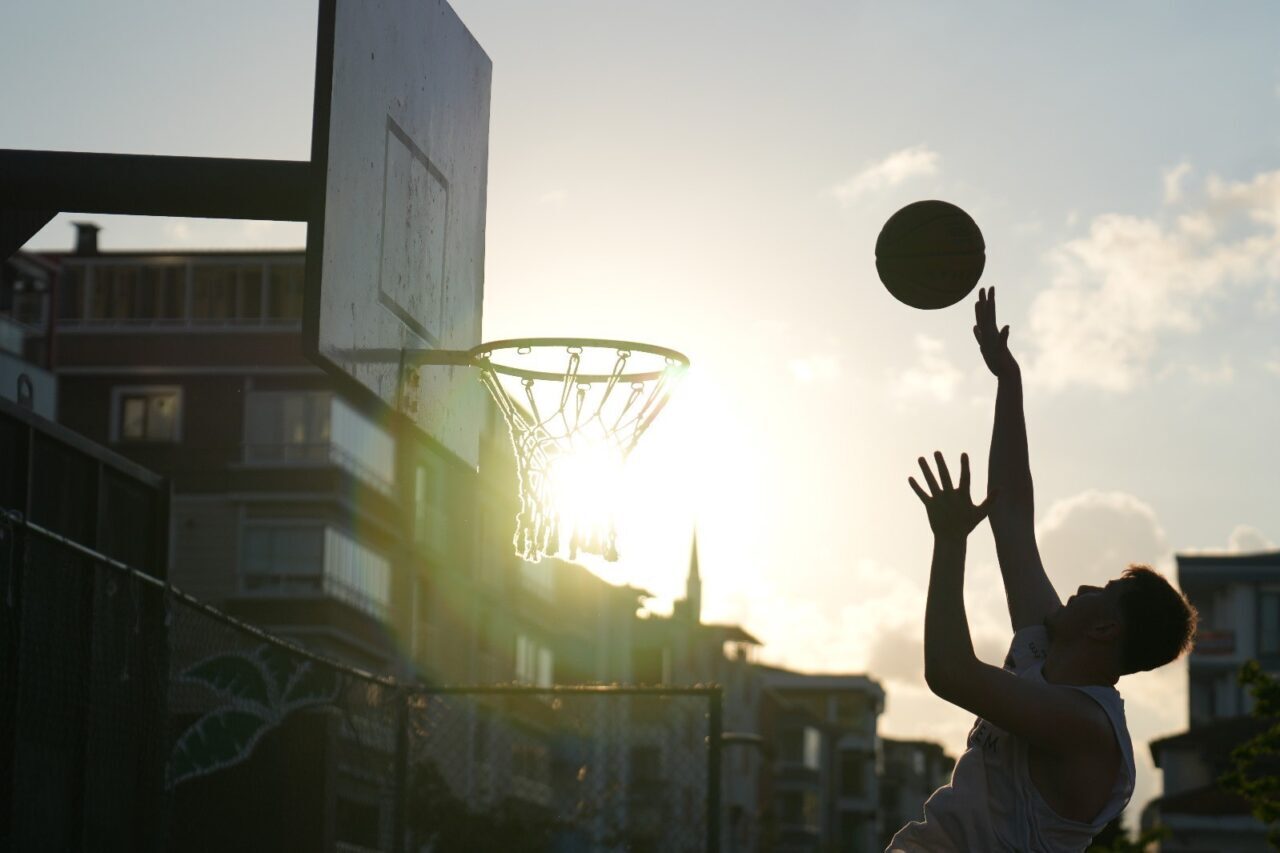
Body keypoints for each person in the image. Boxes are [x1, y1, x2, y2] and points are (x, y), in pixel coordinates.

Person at [887, 287, 1198, 852]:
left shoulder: (1088, 729)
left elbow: (949, 672)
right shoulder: (1041, 651)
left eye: (1104, 589)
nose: (1081, 586)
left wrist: (951, 541)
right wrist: (1009, 383)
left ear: (1107, 628)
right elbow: (1010, 514)